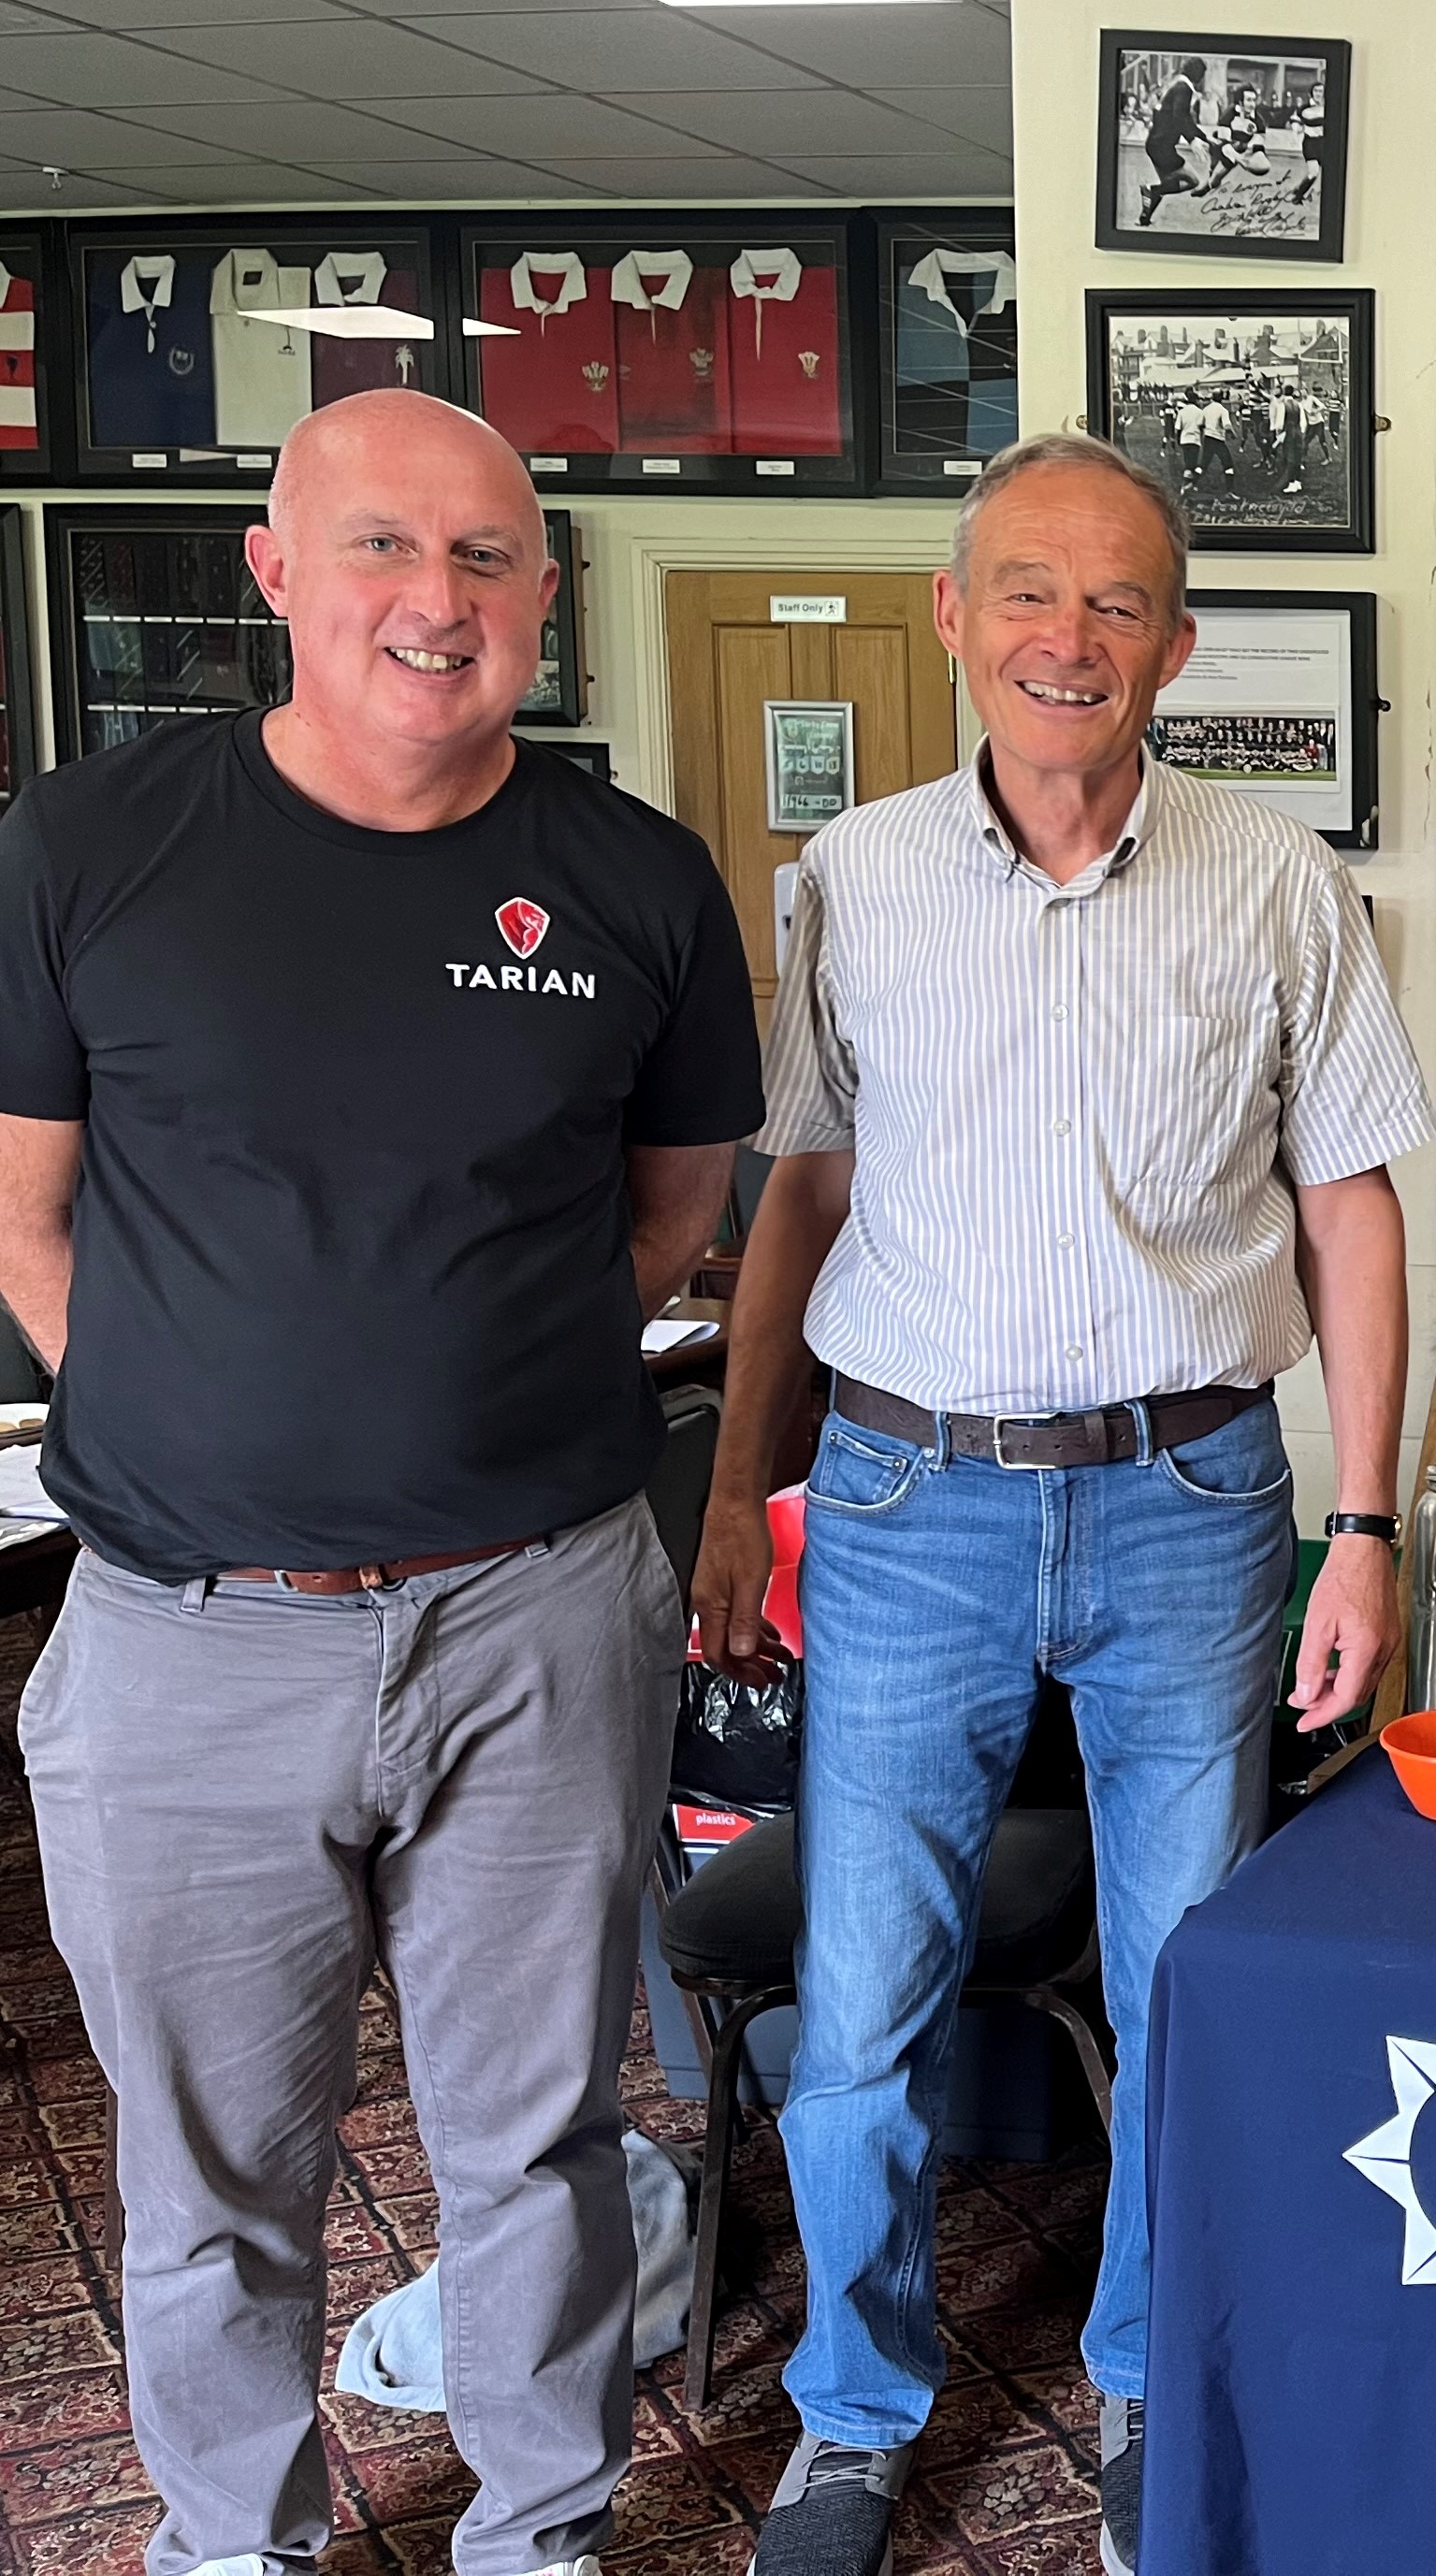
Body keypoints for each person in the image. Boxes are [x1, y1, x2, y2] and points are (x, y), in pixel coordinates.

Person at [0, 390, 761, 2576]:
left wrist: (447, 1411)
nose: (437, 602)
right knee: (208, 2164)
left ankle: (539, 2532)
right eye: (382, 550)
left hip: (534, 1617)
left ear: (545, 592)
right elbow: (27, 1222)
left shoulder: (631, 880)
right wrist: (216, 1418)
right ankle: (230, 2543)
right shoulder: (88, 850)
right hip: (184, 1638)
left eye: (488, 560)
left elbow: (659, 1215)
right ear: (274, 568)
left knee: (531, 2137)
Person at [692, 430, 1434, 2576]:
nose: (1067, 638)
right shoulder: (849, 882)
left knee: (1187, 1973)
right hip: (908, 1492)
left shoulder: (1280, 882)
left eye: (1116, 604)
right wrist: (743, 1493)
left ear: (1177, 647)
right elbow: (799, 1194)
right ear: (952, 616)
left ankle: (1138, 2378)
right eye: (1027, 592)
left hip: (1194, 1494)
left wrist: (1359, 1527)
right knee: (859, 2003)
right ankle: (854, 2410)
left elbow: (1354, 1214)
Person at [1132, 60, 1210, 231]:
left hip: (1156, 144)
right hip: (1163, 147)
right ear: (1199, 76)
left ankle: (1145, 218)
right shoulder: (1184, 88)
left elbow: (1184, 118)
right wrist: (1192, 139)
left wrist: (1202, 138)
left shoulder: (1178, 86)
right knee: (1192, 180)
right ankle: (1150, 190)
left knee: (1165, 184)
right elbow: (1180, 116)